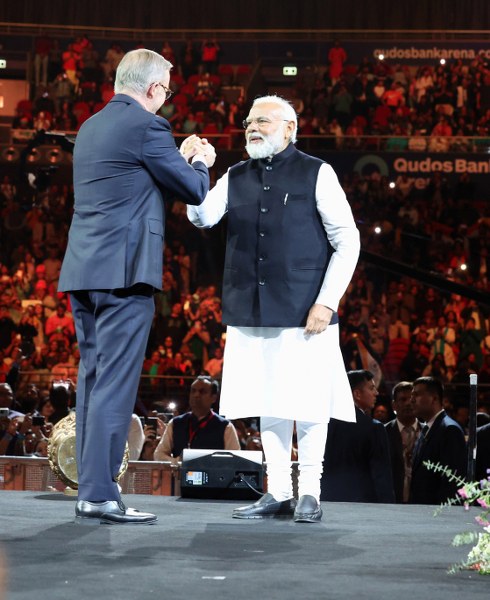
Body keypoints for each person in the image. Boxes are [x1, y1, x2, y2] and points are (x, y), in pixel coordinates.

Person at [57, 48, 216, 525]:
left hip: (83, 272)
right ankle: (102, 495)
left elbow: (132, 184)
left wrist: (176, 158)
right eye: (166, 90)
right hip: (124, 275)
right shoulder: (148, 127)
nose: (165, 99)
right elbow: (194, 190)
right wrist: (199, 158)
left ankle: (91, 492)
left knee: (93, 381)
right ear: (151, 89)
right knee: (115, 387)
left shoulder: (90, 126)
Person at [187, 95, 360, 523]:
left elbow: (348, 240)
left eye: (262, 121)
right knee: (271, 401)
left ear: (289, 128)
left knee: (310, 402)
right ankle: (278, 490)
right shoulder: (235, 174)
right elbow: (202, 217)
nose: (252, 127)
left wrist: (326, 301)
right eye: (248, 121)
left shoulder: (318, 172)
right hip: (250, 307)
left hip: (306, 311)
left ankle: (311, 493)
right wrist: (196, 169)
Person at [321, 370, 395, 503]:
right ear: (357, 394)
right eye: (371, 388)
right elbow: (381, 476)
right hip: (363, 509)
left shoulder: (325, 424)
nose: (376, 393)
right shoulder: (374, 428)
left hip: (327, 504)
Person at [154, 375, 240, 463]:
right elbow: (159, 454)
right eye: (193, 391)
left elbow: (235, 460)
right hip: (180, 475)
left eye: (202, 392)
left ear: (213, 398)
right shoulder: (176, 423)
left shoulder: (226, 427)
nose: (196, 395)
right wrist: (178, 463)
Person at [410, 376, 467, 504]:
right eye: (411, 395)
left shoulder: (450, 430)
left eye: (417, 394)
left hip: (437, 516)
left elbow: (452, 483)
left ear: (434, 398)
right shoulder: (427, 427)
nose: (411, 400)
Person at [385, 381, 422, 503]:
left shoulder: (428, 432)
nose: (408, 403)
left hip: (422, 501)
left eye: (411, 398)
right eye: (403, 399)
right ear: (394, 405)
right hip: (391, 500)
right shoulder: (383, 432)